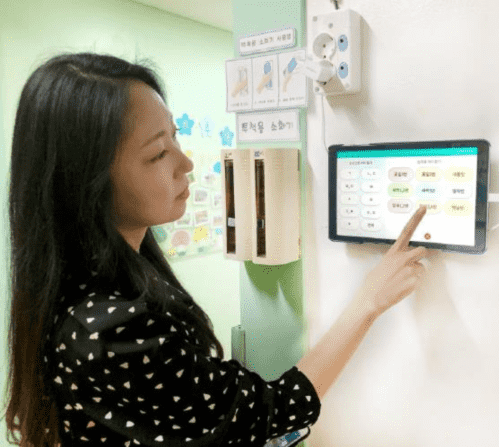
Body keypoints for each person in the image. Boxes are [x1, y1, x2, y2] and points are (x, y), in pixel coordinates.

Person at [3, 52, 429, 447]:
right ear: (86, 181)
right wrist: (368, 301)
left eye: (175, 137)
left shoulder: (98, 282)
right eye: (157, 153)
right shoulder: (112, 328)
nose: (185, 163)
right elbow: (275, 410)